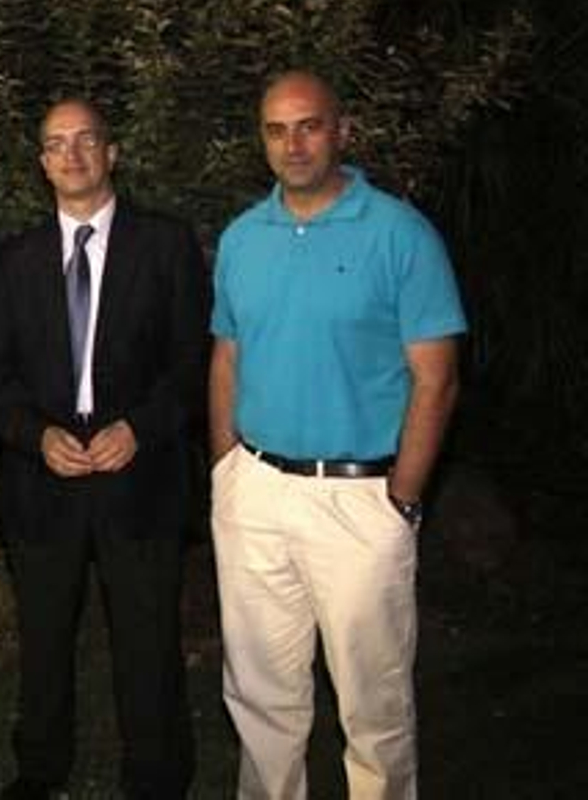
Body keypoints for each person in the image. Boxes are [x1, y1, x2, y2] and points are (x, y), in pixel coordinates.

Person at [209, 70, 465, 798]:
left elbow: (436, 378)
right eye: (276, 129)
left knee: (374, 707)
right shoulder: (241, 239)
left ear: (342, 131)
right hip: (254, 494)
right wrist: (227, 466)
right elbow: (227, 353)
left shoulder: (400, 235)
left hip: (360, 499)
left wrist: (403, 499)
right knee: (260, 696)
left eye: (309, 125)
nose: (293, 143)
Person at [0, 99, 205, 800]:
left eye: (86, 140)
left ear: (111, 153)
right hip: (43, 477)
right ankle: (41, 766)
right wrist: (35, 435)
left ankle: (156, 773)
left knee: (147, 640)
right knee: (45, 639)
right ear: (42, 162)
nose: (72, 155)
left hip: (139, 473)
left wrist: (140, 428)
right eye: (56, 143)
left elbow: (194, 363)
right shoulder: (14, 260)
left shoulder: (167, 245)